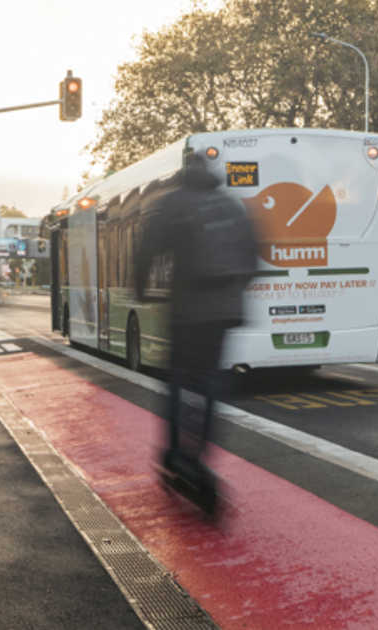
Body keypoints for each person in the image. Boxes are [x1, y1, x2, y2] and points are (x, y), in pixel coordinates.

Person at [133, 151, 259, 516]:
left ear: (184, 174)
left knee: (176, 381)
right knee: (210, 385)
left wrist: (142, 291)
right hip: (224, 315)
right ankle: (200, 457)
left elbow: (146, 253)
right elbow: (254, 259)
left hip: (187, 313)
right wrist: (233, 296)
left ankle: (174, 455)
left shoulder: (173, 203)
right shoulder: (232, 205)